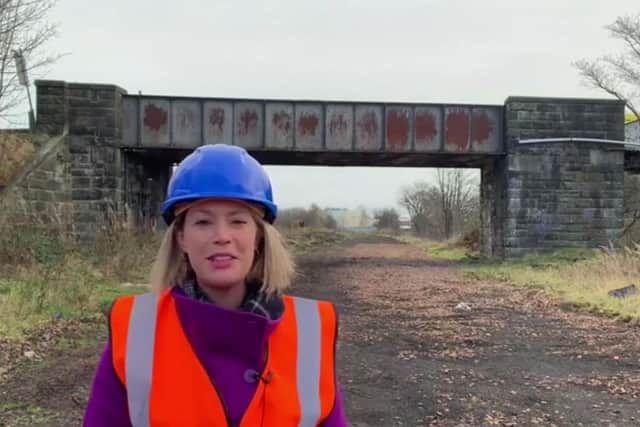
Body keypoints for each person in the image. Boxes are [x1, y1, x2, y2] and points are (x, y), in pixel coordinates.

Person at [83, 144, 348, 426]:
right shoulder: (137, 330)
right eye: (203, 222)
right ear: (180, 237)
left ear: (258, 236)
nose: (222, 236)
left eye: (237, 221)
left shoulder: (310, 331)